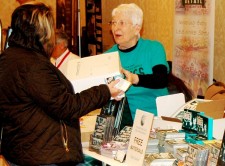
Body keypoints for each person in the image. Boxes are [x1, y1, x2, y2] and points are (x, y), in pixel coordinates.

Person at [0, 2, 123, 166]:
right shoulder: (32, 65)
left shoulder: (8, 58)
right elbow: (66, 106)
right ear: (42, 30)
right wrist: (105, 91)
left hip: (22, 149)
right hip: (42, 154)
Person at [106, 3, 169, 120]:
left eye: (122, 23)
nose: (116, 28)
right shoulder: (108, 56)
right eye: (114, 23)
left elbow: (161, 79)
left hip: (158, 118)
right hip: (127, 122)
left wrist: (134, 78)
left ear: (137, 28)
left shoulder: (153, 48)